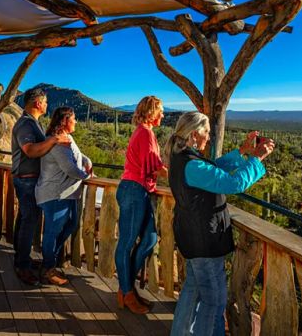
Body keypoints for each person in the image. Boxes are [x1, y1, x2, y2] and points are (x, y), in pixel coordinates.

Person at [166, 112, 274, 336]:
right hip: (204, 240)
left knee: (192, 290)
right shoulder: (192, 165)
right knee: (213, 301)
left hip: (193, 237)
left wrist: (242, 152)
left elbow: (213, 168)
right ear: (195, 134)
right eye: (206, 132)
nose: (208, 136)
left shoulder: (182, 157)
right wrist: (257, 160)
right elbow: (233, 183)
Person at [11, 88, 71, 286]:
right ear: (38, 103)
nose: (46, 105)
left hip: (29, 179)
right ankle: (22, 266)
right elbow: (29, 150)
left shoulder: (31, 123)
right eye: (45, 102)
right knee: (30, 221)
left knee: (25, 219)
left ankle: (21, 259)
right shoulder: (26, 125)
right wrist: (54, 139)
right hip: (26, 179)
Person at [114, 95, 167, 314]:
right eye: (160, 111)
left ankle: (125, 287)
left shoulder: (147, 133)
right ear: (152, 112)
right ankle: (127, 293)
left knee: (150, 239)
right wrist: (184, 178)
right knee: (126, 244)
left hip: (140, 191)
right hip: (134, 190)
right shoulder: (145, 133)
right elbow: (154, 168)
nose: (163, 115)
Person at [37, 107, 92, 285]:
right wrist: (87, 176)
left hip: (66, 194)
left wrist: (87, 161)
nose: (76, 122)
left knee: (70, 225)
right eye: (73, 119)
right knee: (52, 231)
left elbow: (77, 155)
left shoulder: (67, 138)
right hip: (55, 194)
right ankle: (47, 268)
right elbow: (69, 168)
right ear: (65, 121)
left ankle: (49, 260)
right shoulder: (57, 142)